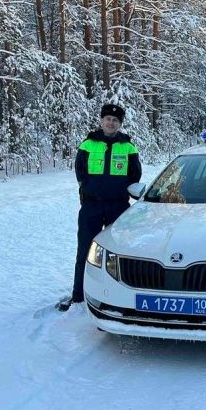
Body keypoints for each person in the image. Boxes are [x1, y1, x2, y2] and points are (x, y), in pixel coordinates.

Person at [57, 103, 142, 311]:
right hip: (91, 207)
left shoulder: (128, 147)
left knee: (117, 253)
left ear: (120, 124)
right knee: (84, 251)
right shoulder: (88, 144)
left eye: (115, 120)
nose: (111, 123)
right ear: (101, 121)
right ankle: (78, 296)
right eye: (108, 119)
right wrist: (91, 190)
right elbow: (80, 173)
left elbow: (135, 175)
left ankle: (115, 297)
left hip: (118, 207)